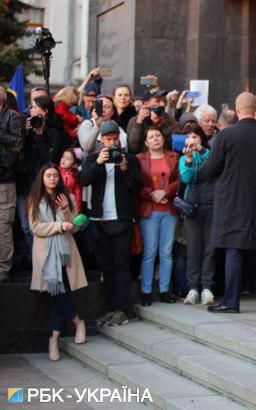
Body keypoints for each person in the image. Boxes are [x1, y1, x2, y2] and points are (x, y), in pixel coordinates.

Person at [199, 92, 256, 313]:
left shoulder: (226, 136)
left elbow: (211, 169)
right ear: (255, 110)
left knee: (234, 251)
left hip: (233, 203)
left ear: (238, 110)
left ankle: (231, 301)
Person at [80, 120, 143, 326]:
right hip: (100, 221)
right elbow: (84, 180)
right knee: (106, 268)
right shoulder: (93, 158)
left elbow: (137, 186)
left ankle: (122, 308)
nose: (113, 143)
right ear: (102, 140)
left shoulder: (130, 160)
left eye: (116, 139)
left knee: (122, 266)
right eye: (109, 140)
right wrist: (98, 162)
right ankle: (109, 307)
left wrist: (124, 168)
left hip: (122, 220)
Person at [27, 164, 87, 361]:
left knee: (59, 293)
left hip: (65, 251)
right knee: (58, 293)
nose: (52, 179)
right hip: (46, 254)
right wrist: (59, 225)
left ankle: (54, 339)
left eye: (55, 175)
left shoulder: (66, 198)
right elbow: (36, 227)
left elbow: (74, 226)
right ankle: (78, 323)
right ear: (42, 179)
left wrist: (65, 211)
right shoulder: (34, 200)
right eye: (48, 175)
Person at [17, 95, 70, 252]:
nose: (31, 110)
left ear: (45, 111)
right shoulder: (27, 128)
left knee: (44, 222)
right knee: (26, 225)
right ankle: (36, 257)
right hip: (26, 184)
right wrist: (24, 133)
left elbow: (48, 159)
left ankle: (45, 255)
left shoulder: (53, 132)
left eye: (34, 107)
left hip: (45, 185)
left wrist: (40, 134)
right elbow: (19, 153)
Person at [136, 127, 179, 305]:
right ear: (146, 142)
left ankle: (164, 290)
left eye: (158, 135)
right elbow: (136, 182)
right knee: (150, 252)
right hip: (149, 209)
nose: (155, 139)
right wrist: (151, 194)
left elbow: (179, 180)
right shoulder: (140, 159)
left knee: (166, 252)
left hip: (169, 210)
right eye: (151, 137)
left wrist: (166, 191)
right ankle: (146, 291)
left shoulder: (173, 157)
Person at [179, 124, 217, 306]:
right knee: (194, 248)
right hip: (192, 207)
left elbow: (212, 166)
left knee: (210, 248)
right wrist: (187, 158)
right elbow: (186, 178)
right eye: (189, 137)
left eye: (195, 136)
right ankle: (193, 287)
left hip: (211, 205)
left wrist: (200, 151)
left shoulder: (209, 153)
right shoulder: (183, 158)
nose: (192, 141)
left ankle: (207, 286)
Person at [0, 87, 23, 283]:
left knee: (3, 226)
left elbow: (17, 143)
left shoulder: (12, 117)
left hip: (4, 180)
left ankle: (2, 268)